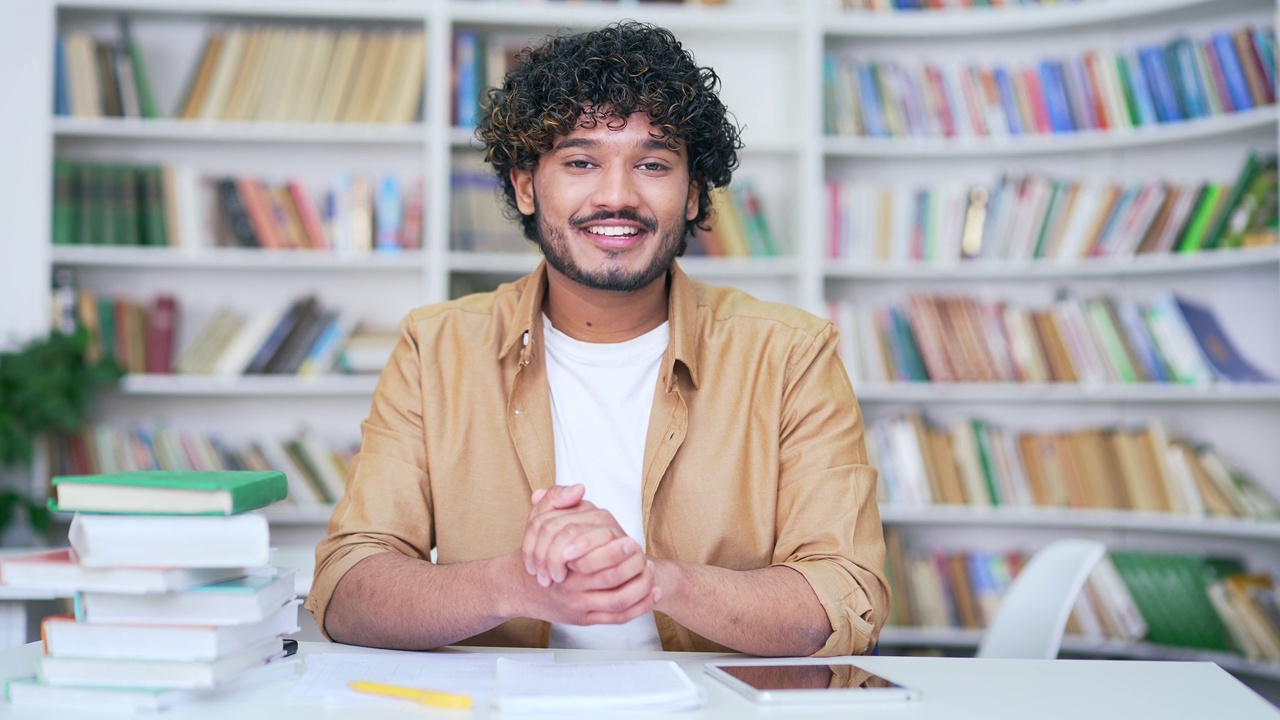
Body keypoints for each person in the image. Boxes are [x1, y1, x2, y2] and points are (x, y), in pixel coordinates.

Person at [307, 21, 888, 658]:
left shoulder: (792, 356)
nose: (617, 196)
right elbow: (347, 587)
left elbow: (844, 597)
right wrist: (515, 587)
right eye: (581, 162)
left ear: (693, 193)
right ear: (527, 187)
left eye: (654, 164)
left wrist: (651, 581)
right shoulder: (435, 348)